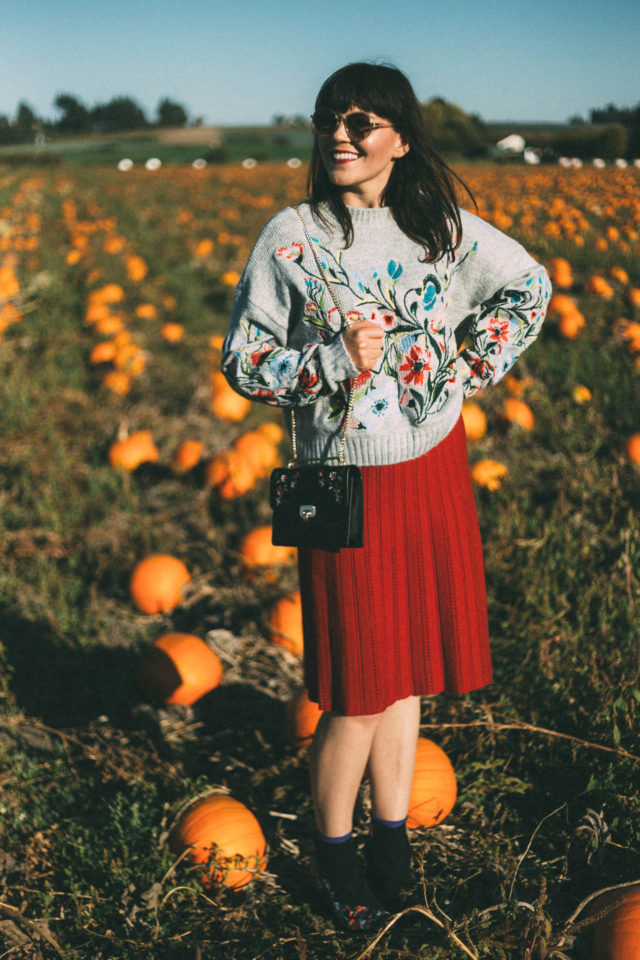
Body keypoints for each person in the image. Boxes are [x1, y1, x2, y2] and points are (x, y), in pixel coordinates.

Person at [222, 62, 551, 931]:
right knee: (357, 689)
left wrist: (463, 368)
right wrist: (331, 362)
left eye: (361, 121)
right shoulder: (292, 236)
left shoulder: (440, 231)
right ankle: (332, 849)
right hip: (344, 483)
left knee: (405, 675)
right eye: (330, 117)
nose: (340, 132)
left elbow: (530, 285)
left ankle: (393, 833)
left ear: (400, 140)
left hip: (432, 463)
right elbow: (243, 360)